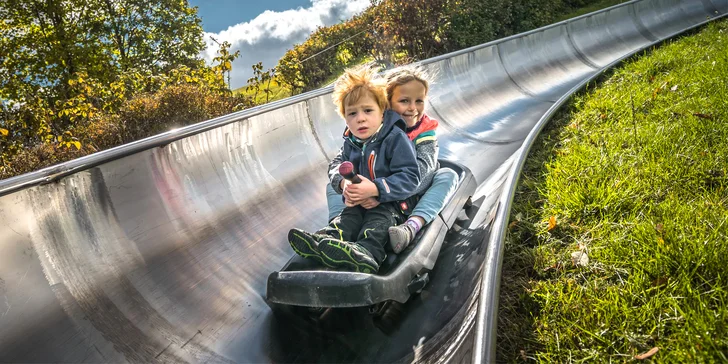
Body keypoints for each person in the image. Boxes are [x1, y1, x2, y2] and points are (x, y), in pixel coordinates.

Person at [288, 65, 420, 273]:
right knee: (348, 218)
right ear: (346, 119)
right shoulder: (352, 142)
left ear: (382, 112)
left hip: (393, 205)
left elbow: (411, 177)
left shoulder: (395, 139)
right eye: (352, 114)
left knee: (377, 223)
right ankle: (329, 240)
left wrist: (376, 189)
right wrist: (344, 185)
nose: (360, 118)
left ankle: (367, 252)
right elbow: (336, 166)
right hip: (360, 203)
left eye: (368, 110)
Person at [326, 66, 459, 254]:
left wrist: (377, 192)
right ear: (385, 105)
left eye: (419, 101)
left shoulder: (423, 133)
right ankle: (338, 226)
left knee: (448, 175)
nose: (413, 108)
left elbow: (421, 175)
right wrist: (346, 185)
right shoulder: (372, 131)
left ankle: (412, 225)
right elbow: (339, 161)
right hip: (373, 192)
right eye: (404, 101)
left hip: (408, 195)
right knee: (333, 183)